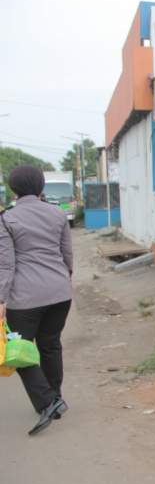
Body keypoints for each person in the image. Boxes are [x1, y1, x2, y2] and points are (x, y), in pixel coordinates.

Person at [0, 165, 73, 436]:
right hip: (59, 294)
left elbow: (6, 265)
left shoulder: (7, 219)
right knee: (50, 345)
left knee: (18, 351)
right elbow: (67, 253)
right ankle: (53, 397)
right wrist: (67, 280)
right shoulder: (57, 213)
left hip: (25, 299)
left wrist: (1, 299)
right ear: (41, 186)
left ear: (13, 188)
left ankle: (49, 401)